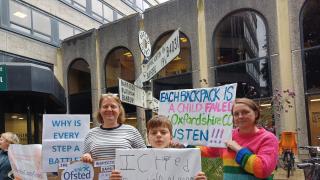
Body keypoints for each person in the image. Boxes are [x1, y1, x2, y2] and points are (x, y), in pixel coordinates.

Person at [201, 98, 278, 179]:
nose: (240, 116)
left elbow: (263, 170)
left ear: (255, 113)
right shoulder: (227, 135)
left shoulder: (268, 138)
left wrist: (238, 149)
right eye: (236, 114)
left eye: (245, 112)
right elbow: (207, 150)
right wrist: (188, 144)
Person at [110, 115, 207, 180]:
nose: (158, 135)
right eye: (153, 132)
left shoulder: (185, 159)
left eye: (163, 132)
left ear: (171, 137)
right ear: (148, 137)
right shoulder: (136, 160)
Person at [81, 93, 146, 162]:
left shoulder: (132, 131)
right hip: (98, 173)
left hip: (125, 173)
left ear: (119, 110)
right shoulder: (91, 134)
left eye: (113, 106)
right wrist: (86, 156)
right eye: (105, 106)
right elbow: (84, 158)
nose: (109, 109)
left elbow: (145, 156)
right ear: (100, 110)